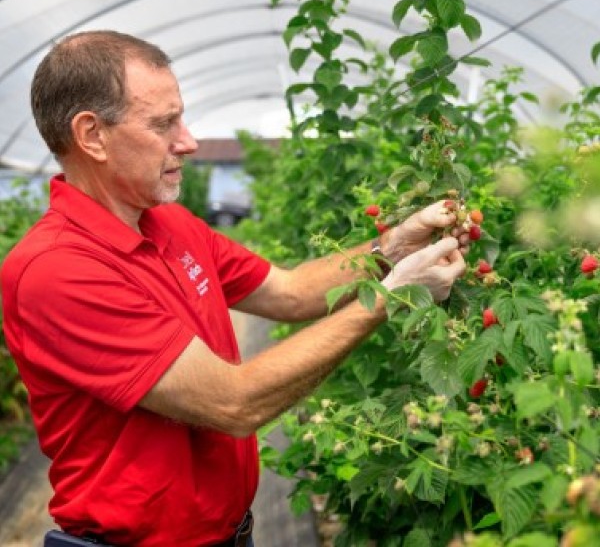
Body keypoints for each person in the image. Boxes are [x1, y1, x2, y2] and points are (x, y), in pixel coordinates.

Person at [0, 30, 468, 547]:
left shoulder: (169, 224)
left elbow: (289, 292)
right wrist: (392, 295)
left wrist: (391, 250)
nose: (188, 140)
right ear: (91, 135)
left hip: (230, 533)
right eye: (163, 123)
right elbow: (233, 403)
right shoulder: (57, 270)